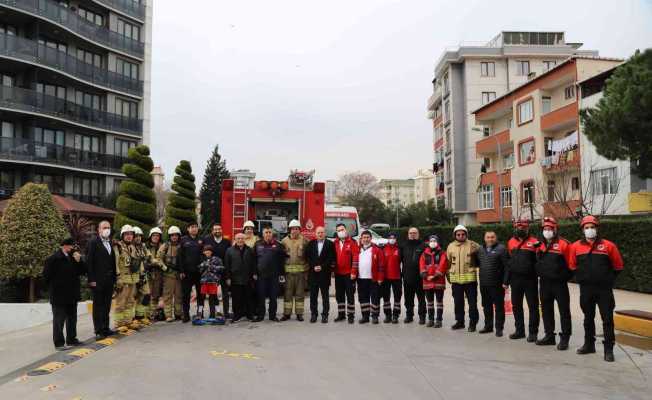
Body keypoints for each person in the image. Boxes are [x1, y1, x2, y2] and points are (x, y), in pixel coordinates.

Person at [569, 215, 624, 362]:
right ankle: (589, 345)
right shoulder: (575, 247)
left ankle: (608, 349)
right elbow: (572, 266)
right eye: (587, 228)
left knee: (607, 319)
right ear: (583, 230)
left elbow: (618, 266)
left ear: (597, 228)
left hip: (604, 290)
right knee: (588, 318)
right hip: (586, 289)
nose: (590, 230)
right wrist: (582, 278)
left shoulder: (608, 246)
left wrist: (607, 279)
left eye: (592, 227)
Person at [535, 217, 572, 350]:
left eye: (550, 229)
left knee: (564, 311)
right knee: (546, 310)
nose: (547, 231)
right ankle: (549, 336)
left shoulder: (564, 244)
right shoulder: (539, 244)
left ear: (555, 229)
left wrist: (563, 277)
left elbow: (572, 265)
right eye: (545, 229)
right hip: (544, 283)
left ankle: (565, 338)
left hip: (559, 284)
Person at [43, 238, 86, 350]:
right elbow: (46, 277)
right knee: (59, 320)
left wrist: (79, 261)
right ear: (64, 246)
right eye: (71, 246)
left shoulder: (73, 258)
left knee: (72, 318)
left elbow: (82, 271)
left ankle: (72, 339)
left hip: (72, 294)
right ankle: (59, 343)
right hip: (59, 295)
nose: (72, 248)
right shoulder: (53, 259)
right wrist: (56, 288)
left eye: (73, 246)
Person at [506, 219, 540, 342]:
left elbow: (539, 261)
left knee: (533, 306)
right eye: (519, 228)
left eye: (524, 228)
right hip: (515, 279)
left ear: (528, 229)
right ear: (515, 228)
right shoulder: (510, 242)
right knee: (516, 306)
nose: (521, 230)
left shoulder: (535, 242)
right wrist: (506, 280)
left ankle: (533, 332)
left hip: (530, 279)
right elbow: (509, 262)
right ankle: (519, 330)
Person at [446, 225, 480, 332]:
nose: (461, 236)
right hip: (456, 281)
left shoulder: (473, 245)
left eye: (463, 234)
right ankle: (460, 322)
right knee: (458, 303)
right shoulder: (450, 246)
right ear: (455, 235)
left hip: (470, 280)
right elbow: (448, 264)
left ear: (466, 234)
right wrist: (449, 277)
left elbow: (481, 259)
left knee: (472, 303)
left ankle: (473, 323)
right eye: (458, 234)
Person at [85, 220, 116, 339]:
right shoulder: (93, 242)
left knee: (107, 305)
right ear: (99, 230)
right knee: (98, 306)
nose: (106, 229)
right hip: (97, 280)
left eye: (108, 227)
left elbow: (112, 262)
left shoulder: (110, 243)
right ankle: (98, 330)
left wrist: (114, 278)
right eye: (104, 227)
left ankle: (105, 328)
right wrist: (91, 279)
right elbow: (89, 262)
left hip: (109, 280)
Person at [477, 231, 510, 337]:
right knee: (486, 306)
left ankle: (499, 328)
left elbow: (507, 267)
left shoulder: (501, 249)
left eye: (492, 237)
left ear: (496, 238)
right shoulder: (480, 249)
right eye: (488, 237)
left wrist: (505, 281)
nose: (490, 239)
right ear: (484, 238)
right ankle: (488, 326)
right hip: (484, 283)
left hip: (497, 284)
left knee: (499, 307)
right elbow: (477, 263)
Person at [253, 227, 287, 322]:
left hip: (274, 276)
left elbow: (282, 261)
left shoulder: (278, 245)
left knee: (273, 297)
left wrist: (282, 274)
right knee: (261, 296)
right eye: (266, 232)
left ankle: (272, 316)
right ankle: (261, 315)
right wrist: (254, 272)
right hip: (261, 276)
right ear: (263, 234)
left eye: (269, 232)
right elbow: (253, 260)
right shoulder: (257, 244)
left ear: (272, 234)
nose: (268, 234)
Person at [352, 230, 385, 324]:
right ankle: (365, 316)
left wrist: (380, 278)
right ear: (361, 239)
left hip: (373, 279)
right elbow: (354, 263)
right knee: (363, 298)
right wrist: (353, 274)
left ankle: (375, 316)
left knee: (375, 298)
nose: (366, 239)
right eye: (364, 237)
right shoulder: (357, 249)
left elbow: (381, 265)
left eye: (367, 237)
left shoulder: (377, 250)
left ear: (371, 238)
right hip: (361, 278)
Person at [113, 225, 141, 332]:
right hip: (123, 279)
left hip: (132, 279)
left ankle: (128, 321)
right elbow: (115, 263)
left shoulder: (132, 247)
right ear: (122, 235)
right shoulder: (118, 247)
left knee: (130, 301)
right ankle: (119, 323)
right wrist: (118, 277)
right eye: (127, 234)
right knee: (121, 302)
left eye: (131, 234)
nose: (129, 236)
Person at [305, 226, 336, 323]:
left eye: (322, 232)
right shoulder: (311, 244)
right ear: (315, 234)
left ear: (325, 233)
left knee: (325, 297)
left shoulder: (330, 244)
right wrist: (313, 266)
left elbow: (331, 258)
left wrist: (322, 267)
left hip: (324, 274)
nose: (320, 234)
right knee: (313, 296)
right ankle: (314, 314)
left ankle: (325, 315)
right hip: (313, 274)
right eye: (318, 232)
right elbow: (307, 257)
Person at [280, 220, 309, 321]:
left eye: (297, 229)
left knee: (300, 295)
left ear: (299, 230)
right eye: (293, 229)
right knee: (287, 294)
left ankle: (299, 314)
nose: (295, 231)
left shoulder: (305, 241)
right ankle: (287, 314)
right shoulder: (284, 241)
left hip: (301, 274)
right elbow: (280, 257)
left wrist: (307, 271)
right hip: (288, 274)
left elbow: (309, 256)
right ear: (290, 230)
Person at [224, 233, 257, 322]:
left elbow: (254, 263)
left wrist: (254, 273)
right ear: (235, 240)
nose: (240, 240)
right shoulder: (229, 251)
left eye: (242, 238)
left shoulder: (250, 250)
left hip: (247, 278)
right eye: (238, 238)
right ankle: (236, 315)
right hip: (235, 279)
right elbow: (227, 265)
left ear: (244, 239)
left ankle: (249, 315)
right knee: (236, 298)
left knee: (248, 298)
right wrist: (228, 278)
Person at [203, 224, 232, 317]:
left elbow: (229, 258)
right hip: (212, 272)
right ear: (212, 231)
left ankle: (226, 313)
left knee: (225, 293)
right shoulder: (207, 240)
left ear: (222, 230)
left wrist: (228, 274)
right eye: (215, 229)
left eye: (219, 229)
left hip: (224, 270)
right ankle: (212, 313)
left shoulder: (227, 242)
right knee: (212, 294)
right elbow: (204, 254)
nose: (217, 231)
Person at [419, 235, 447, 328]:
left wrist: (435, 276)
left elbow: (443, 265)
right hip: (427, 282)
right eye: (431, 240)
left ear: (438, 242)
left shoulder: (442, 253)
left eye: (435, 240)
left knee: (439, 302)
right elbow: (422, 265)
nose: (433, 242)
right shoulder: (424, 254)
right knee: (429, 302)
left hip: (438, 281)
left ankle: (439, 320)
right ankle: (431, 319)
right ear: (428, 242)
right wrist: (426, 276)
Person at [333, 223, 359, 324]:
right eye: (338, 230)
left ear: (346, 230)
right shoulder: (335, 243)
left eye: (342, 229)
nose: (341, 232)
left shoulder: (352, 242)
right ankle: (341, 314)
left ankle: (351, 315)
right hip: (338, 274)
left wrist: (353, 272)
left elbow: (356, 258)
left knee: (350, 295)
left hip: (349, 274)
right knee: (339, 295)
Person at [178, 222, 203, 322]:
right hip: (187, 272)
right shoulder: (183, 240)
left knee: (201, 295)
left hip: (199, 272)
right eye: (192, 227)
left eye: (196, 227)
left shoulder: (201, 240)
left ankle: (199, 313)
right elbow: (180, 256)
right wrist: (181, 271)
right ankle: (186, 315)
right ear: (188, 229)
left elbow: (205, 254)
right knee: (186, 295)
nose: (194, 229)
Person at [158, 226, 183, 322]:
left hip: (178, 274)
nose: (174, 237)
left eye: (176, 235)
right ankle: (168, 315)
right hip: (168, 274)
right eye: (172, 235)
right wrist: (165, 268)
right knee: (167, 295)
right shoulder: (165, 246)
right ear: (169, 236)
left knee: (179, 295)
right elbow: (158, 258)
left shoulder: (182, 246)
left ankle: (178, 314)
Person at [402, 227, 426, 324]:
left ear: (418, 234)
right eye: (411, 233)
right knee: (408, 298)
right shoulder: (404, 246)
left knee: (421, 299)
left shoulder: (423, 246)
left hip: (420, 278)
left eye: (415, 233)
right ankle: (409, 315)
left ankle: (422, 316)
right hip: (407, 276)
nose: (412, 234)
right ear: (408, 234)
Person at [196, 245, 226, 320]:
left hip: (213, 281)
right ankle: (199, 314)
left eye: (209, 250)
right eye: (206, 250)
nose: (207, 252)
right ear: (204, 252)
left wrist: (212, 267)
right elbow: (198, 270)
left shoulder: (217, 259)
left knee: (213, 298)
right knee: (201, 298)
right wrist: (202, 266)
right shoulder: (202, 259)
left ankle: (215, 314)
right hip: (204, 282)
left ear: (211, 251)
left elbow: (222, 268)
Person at [132, 226, 153, 327]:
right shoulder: (129, 248)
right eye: (136, 236)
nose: (138, 238)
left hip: (143, 275)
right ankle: (132, 318)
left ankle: (139, 317)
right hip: (133, 276)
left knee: (146, 295)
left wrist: (153, 262)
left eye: (139, 236)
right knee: (133, 297)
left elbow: (150, 257)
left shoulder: (142, 247)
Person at [381, 233, 402, 324]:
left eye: (394, 238)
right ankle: (388, 315)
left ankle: (395, 316)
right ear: (388, 239)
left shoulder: (399, 249)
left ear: (396, 239)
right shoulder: (383, 249)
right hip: (385, 277)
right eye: (390, 238)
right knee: (386, 297)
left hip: (397, 276)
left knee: (397, 297)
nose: (392, 239)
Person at [146, 227, 166, 321]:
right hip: (149, 273)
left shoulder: (164, 246)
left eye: (157, 235)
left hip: (160, 273)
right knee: (150, 294)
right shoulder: (146, 246)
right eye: (154, 235)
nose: (156, 237)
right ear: (150, 236)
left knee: (159, 294)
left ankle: (159, 313)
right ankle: (151, 314)